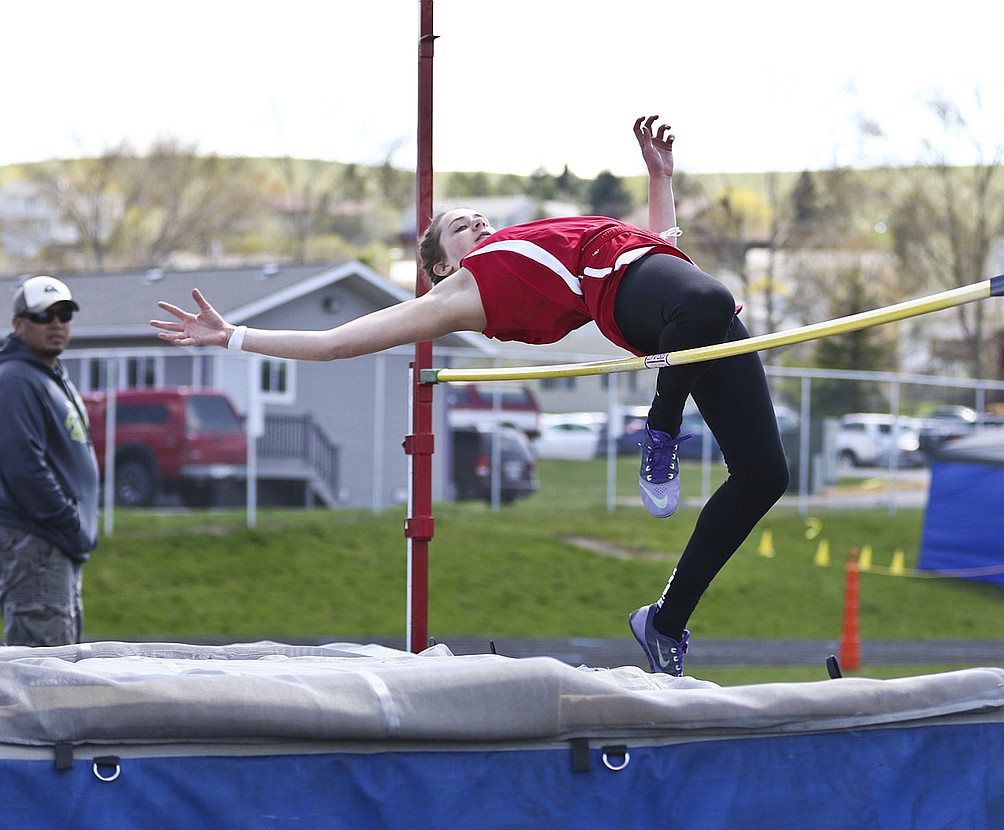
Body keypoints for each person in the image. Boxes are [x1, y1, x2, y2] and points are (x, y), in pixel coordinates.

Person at [152, 116, 789, 676]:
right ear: (441, 267)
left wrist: (659, 180)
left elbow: (661, 253)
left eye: (479, 217)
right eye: (462, 226)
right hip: (627, 288)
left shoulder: (526, 240)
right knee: (703, 299)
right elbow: (338, 340)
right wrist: (235, 337)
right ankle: (660, 429)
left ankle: (665, 621)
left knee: (765, 474)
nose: (480, 222)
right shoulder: (460, 291)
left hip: (658, 286)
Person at [0, 276, 100, 646]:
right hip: (38, 541)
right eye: (44, 316)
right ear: (18, 324)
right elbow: (21, 464)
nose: (56, 324)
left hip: (56, 543)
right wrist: (66, 518)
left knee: (62, 657)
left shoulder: (49, 377)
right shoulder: (16, 379)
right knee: (43, 670)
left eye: (64, 314)